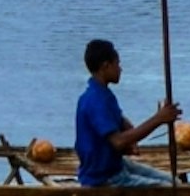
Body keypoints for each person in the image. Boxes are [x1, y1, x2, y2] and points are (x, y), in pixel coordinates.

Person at [74, 38, 180, 187]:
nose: (120, 69)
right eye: (117, 64)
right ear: (106, 66)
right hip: (103, 176)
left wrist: (132, 137)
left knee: (174, 181)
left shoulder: (102, 94)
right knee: (168, 189)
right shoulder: (95, 100)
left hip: (116, 165)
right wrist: (158, 119)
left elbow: (121, 120)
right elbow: (118, 142)